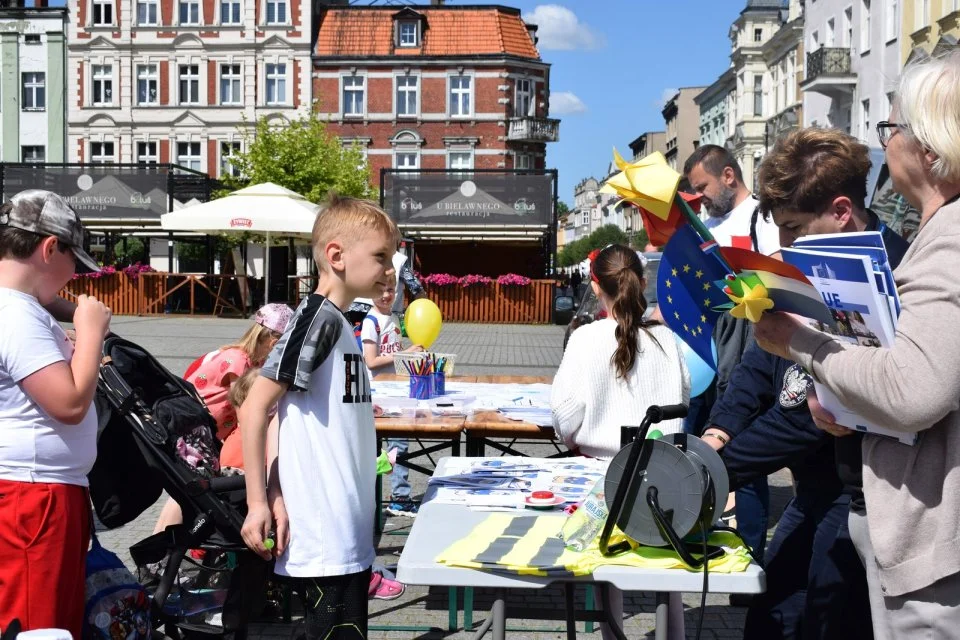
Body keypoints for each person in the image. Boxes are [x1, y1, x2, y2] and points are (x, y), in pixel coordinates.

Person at [754, 50, 960, 638]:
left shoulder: (947, 240)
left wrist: (802, 344)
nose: (883, 143)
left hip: (932, 537)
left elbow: (913, 391)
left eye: (890, 127)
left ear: (930, 144)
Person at [701, 127, 908, 639]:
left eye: (794, 228)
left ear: (841, 211)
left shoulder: (893, 271)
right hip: (815, 488)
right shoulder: (804, 265)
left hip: (865, 495)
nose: (786, 246)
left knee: (822, 618)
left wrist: (714, 472)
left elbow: (804, 412)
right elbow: (758, 366)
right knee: (771, 613)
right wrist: (716, 432)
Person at [239, 193, 400, 639]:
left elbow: (289, 413)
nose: (390, 269)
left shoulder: (340, 322)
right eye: (381, 256)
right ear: (337, 256)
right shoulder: (318, 319)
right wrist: (260, 500)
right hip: (324, 532)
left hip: (345, 528)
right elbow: (257, 405)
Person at [551, 244, 689, 640]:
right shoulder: (667, 341)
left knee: (606, 573)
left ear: (596, 288)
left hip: (600, 480)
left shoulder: (585, 339)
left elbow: (565, 414)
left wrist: (573, 435)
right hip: (665, 476)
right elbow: (684, 400)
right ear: (643, 283)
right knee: (668, 577)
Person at [0, 190, 112, 638]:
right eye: (74, 265)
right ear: (50, 248)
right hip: (35, 499)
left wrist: (65, 315)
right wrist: (90, 333)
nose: (74, 279)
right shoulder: (17, 317)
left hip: (39, 492)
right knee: (39, 624)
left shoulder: (22, 310)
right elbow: (68, 403)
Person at [683, 145, 781, 569]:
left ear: (728, 175)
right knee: (698, 448)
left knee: (745, 458)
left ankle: (749, 556)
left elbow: (777, 275)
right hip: (707, 355)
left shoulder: (763, 218)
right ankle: (696, 538)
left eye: (702, 187)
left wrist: (733, 290)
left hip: (746, 354)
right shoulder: (708, 224)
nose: (699, 197)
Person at [152, 303, 293, 534]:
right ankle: (160, 548)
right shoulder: (238, 361)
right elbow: (245, 411)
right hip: (193, 431)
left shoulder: (249, 359)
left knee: (193, 489)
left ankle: (163, 548)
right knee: (190, 490)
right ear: (273, 342)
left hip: (206, 431)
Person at [360, 285, 423, 517]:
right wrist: (403, 355)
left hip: (396, 389)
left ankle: (397, 496)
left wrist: (410, 355)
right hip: (379, 392)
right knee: (393, 445)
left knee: (400, 444)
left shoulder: (394, 318)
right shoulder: (371, 321)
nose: (386, 295)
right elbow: (371, 361)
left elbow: (395, 350)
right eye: (380, 290)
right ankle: (398, 498)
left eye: (390, 290)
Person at [345, 244, 424, 326]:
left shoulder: (360, 253)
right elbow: (416, 287)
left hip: (353, 307)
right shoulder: (399, 258)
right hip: (381, 311)